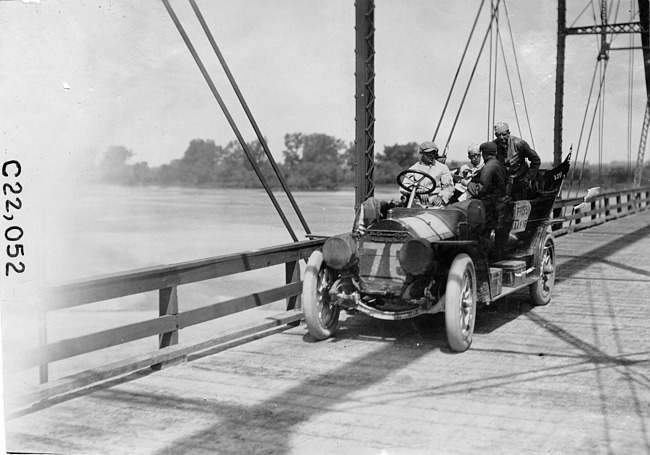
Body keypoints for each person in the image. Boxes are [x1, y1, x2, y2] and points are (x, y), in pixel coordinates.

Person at [492, 122, 541, 201]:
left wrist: (528, 178)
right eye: (498, 135)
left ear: (508, 133)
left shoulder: (520, 144)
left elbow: (536, 160)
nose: (501, 137)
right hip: (504, 183)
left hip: (520, 181)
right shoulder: (493, 146)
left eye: (504, 134)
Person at [403, 141, 454, 207]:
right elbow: (403, 187)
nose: (431, 155)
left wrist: (441, 197)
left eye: (433, 153)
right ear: (421, 153)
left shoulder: (442, 168)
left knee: (438, 211)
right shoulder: (413, 168)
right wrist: (417, 191)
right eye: (428, 153)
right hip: (417, 199)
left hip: (435, 200)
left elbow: (449, 187)